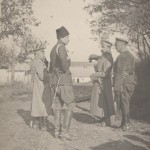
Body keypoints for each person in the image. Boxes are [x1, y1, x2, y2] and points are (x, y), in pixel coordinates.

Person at [50, 26, 75, 140]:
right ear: (61, 37)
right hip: (64, 80)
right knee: (70, 104)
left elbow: (51, 67)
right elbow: (65, 64)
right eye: (67, 37)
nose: (68, 39)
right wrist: (66, 66)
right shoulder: (61, 47)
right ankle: (64, 132)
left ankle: (57, 131)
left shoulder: (53, 48)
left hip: (56, 81)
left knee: (58, 106)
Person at [89, 40, 115, 126]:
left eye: (103, 46)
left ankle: (105, 120)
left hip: (103, 82)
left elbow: (106, 73)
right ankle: (103, 119)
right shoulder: (104, 55)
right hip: (100, 81)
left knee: (103, 100)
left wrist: (93, 75)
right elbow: (100, 58)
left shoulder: (108, 56)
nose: (101, 47)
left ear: (108, 47)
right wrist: (93, 56)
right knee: (100, 100)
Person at [114, 37, 136, 131]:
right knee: (125, 104)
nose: (115, 46)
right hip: (129, 83)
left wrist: (117, 86)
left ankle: (126, 125)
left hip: (124, 83)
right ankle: (124, 124)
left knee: (124, 104)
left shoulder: (122, 56)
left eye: (117, 44)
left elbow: (121, 72)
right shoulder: (130, 55)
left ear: (122, 45)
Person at [30, 46, 52, 131]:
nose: (44, 54)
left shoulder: (34, 62)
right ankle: (43, 125)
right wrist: (51, 76)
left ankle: (35, 123)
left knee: (37, 104)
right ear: (38, 54)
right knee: (43, 104)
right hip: (42, 86)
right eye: (43, 53)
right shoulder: (38, 63)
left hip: (37, 86)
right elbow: (43, 76)